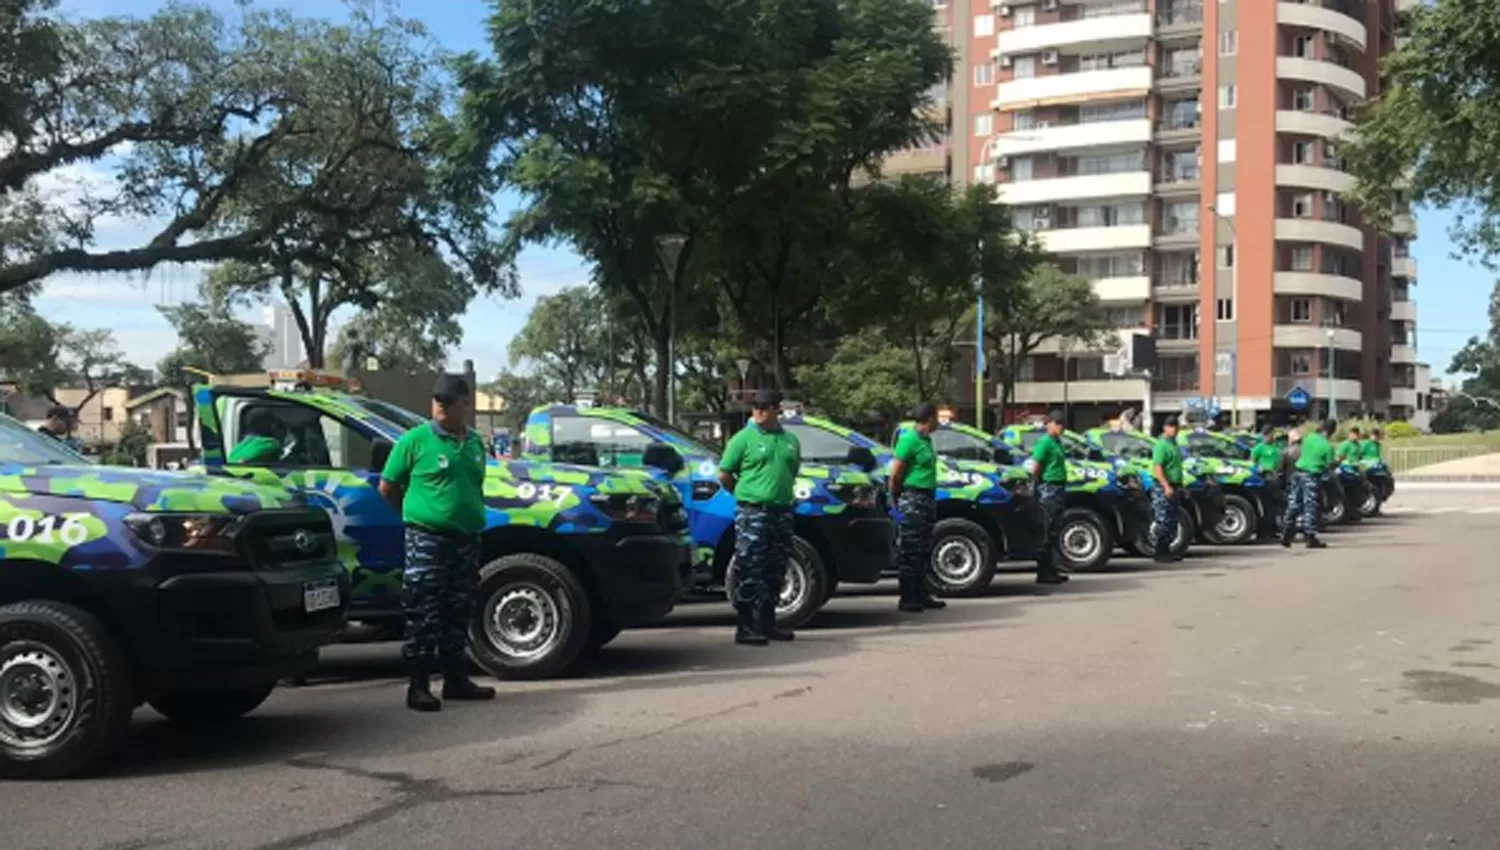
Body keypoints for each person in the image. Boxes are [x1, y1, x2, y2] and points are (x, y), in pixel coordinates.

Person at [379, 374, 496, 711]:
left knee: (457, 611)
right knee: (423, 611)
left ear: (465, 404)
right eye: (437, 400)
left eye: (449, 400)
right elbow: (388, 487)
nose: (441, 405)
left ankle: (456, 681)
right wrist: (417, 517)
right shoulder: (414, 441)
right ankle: (418, 687)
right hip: (428, 540)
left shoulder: (474, 443)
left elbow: (472, 487)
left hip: (466, 540)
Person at [718, 388, 801, 646]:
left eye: (765, 408)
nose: (760, 412)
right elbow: (724, 474)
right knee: (750, 567)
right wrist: (745, 496)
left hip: (781, 511)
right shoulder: (743, 439)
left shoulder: (790, 440)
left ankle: (768, 622)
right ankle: (746, 626)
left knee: (775, 568)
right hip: (753, 511)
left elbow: (791, 470)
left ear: (777, 409)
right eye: (756, 408)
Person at [889, 402, 949, 613]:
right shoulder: (909, 440)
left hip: (926, 498)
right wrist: (897, 496)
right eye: (937, 418)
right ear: (929, 418)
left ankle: (922, 593)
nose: (939, 422)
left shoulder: (926, 441)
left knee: (924, 548)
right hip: (912, 498)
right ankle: (908, 597)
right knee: (910, 549)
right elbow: (896, 473)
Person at [1029, 409, 1071, 585]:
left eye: (1063, 425)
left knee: (1055, 530)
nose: (1061, 428)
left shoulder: (1057, 442)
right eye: (1058, 424)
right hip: (1049, 488)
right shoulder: (1044, 443)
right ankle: (1043, 571)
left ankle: (1051, 568)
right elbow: (1036, 467)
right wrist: (1036, 487)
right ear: (1050, 424)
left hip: (1059, 488)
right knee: (1048, 529)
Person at [1282, 421, 1333, 549]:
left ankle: (1286, 533)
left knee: (1294, 503)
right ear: (1328, 432)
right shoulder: (1327, 446)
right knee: (1310, 506)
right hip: (1311, 476)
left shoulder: (1309, 438)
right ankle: (1310, 537)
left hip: (1297, 473)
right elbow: (1329, 465)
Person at [1149, 417, 1185, 564]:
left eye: (1175, 426)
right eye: (1170, 426)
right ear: (1164, 427)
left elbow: (1176, 467)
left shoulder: (1174, 444)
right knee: (1163, 519)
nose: (1174, 429)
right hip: (1163, 486)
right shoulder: (1161, 445)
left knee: (1172, 520)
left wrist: (1181, 486)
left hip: (1175, 485)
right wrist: (1166, 486)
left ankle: (1167, 550)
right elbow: (1158, 467)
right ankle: (1160, 552)